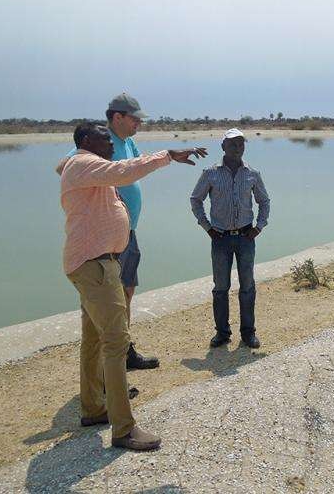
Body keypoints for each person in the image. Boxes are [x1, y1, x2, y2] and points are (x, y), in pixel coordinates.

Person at [61, 122, 206, 450]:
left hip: (93, 263)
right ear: (86, 141)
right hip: (95, 266)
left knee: (94, 338)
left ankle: (94, 408)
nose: (111, 143)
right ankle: (124, 429)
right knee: (115, 342)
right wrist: (167, 155)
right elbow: (126, 171)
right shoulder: (85, 163)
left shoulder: (85, 166)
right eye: (104, 138)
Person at [57, 93, 172, 370]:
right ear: (117, 117)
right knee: (111, 297)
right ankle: (112, 361)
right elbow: (64, 167)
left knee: (127, 290)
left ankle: (125, 349)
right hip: (103, 242)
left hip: (127, 232)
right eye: (134, 119)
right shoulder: (97, 142)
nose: (138, 125)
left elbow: (131, 167)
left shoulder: (127, 142)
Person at [190, 128, 270, 349]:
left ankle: (248, 333)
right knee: (220, 288)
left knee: (247, 287)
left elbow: (264, 201)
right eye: (233, 144)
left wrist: (259, 227)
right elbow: (196, 200)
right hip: (220, 238)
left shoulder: (252, 173)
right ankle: (222, 333)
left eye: (241, 144)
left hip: (246, 237)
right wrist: (206, 227)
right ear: (223, 146)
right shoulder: (210, 173)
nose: (237, 148)